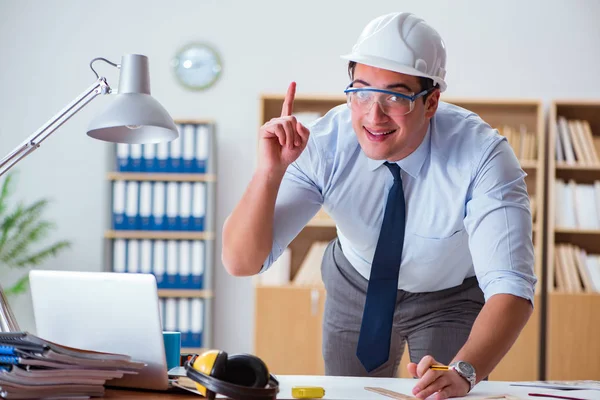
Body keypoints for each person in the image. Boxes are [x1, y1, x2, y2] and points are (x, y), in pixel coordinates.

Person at [222, 11, 537, 400]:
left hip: (449, 296)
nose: (373, 114)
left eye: (396, 95)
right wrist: (268, 173)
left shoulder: (482, 156)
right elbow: (241, 262)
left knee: (442, 392)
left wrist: (465, 372)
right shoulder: (325, 143)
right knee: (349, 395)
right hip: (355, 283)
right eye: (362, 90)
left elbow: (512, 288)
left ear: (432, 101)